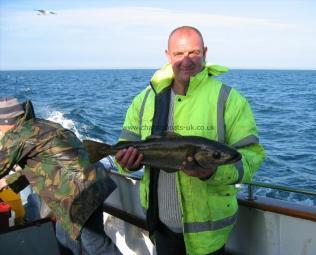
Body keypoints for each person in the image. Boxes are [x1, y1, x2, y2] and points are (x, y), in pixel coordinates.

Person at [115, 26, 265, 255]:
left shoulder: (229, 99)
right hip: (160, 225)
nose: (187, 60)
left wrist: (210, 172)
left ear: (205, 52)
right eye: (179, 54)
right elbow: (125, 144)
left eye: (194, 52)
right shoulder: (144, 99)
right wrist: (126, 162)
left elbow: (250, 159)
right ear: (168, 55)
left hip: (208, 235)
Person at [0, 97, 122, 255]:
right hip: (93, 182)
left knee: (96, 244)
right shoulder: (40, 125)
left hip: (78, 193)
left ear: (5, 121)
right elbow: (42, 165)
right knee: (64, 239)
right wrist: (8, 183)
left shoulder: (16, 136)